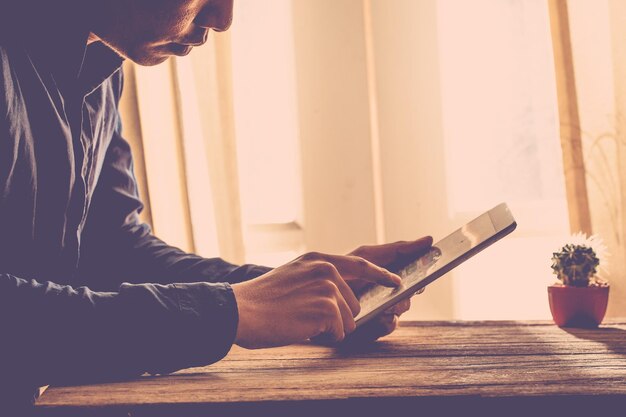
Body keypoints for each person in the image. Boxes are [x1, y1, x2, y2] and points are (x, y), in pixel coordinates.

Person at [0, 0, 432, 412]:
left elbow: (111, 251)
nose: (223, 19)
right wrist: (228, 312)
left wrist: (299, 296)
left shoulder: (100, 66)